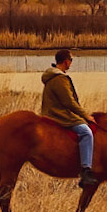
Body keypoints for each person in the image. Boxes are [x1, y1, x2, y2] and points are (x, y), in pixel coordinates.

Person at [40, 49, 96, 187]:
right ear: (66, 61)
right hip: (59, 115)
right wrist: (85, 115)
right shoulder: (60, 78)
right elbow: (69, 102)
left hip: (52, 112)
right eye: (71, 60)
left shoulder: (52, 76)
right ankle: (86, 170)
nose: (71, 63)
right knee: (86, 132)